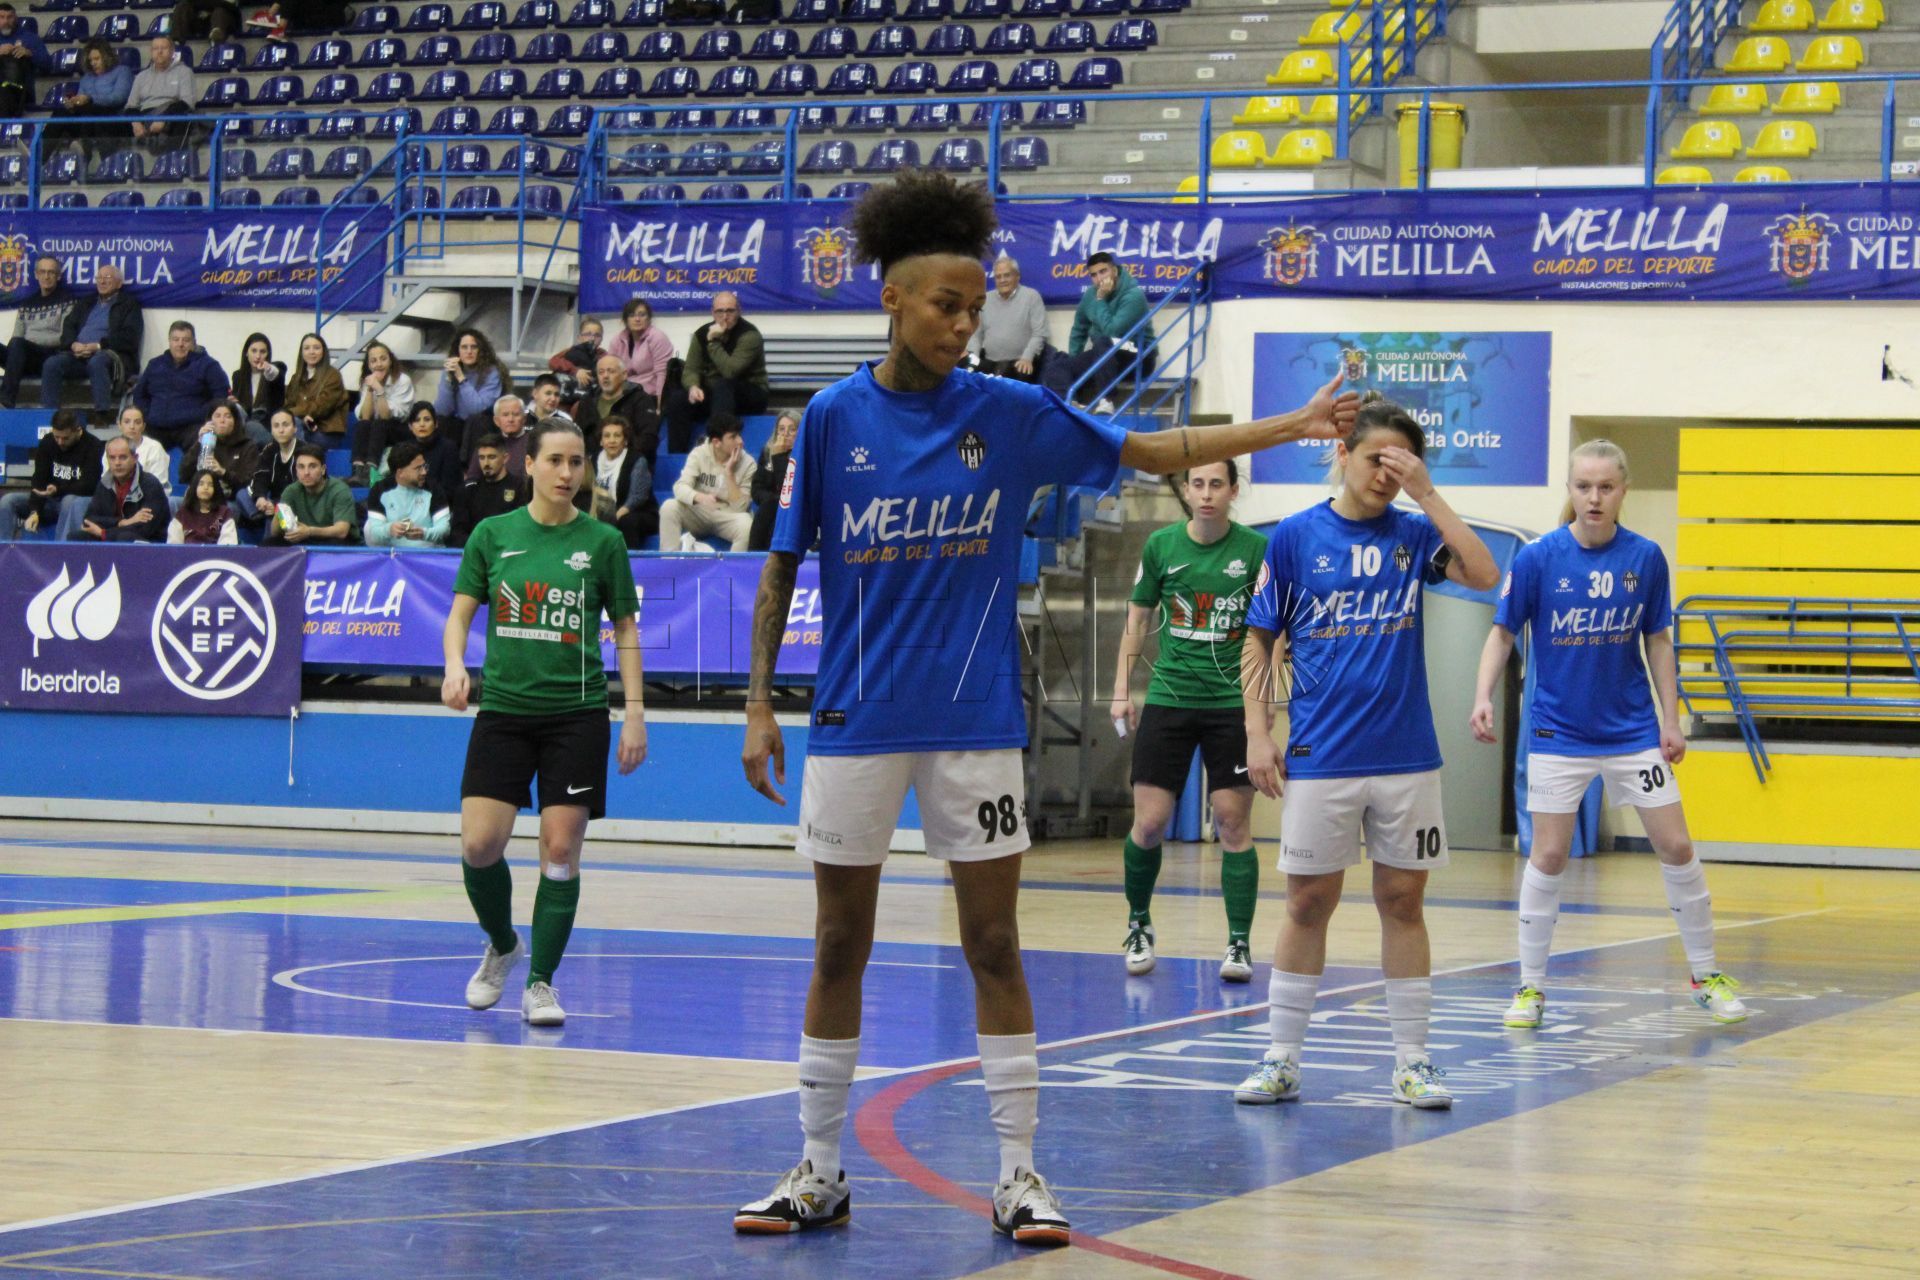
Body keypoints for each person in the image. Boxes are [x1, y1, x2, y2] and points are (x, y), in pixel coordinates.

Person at [732, 170, 1357, 1245]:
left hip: (975, 723)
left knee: (994, 942)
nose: (963, 325)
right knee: (837, 944)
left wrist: (1294, 423)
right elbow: (783, 566)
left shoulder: (1009, 411)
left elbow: (1152, 452)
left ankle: (1018, 1170)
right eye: (946, 305)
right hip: (854, 721)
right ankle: (819, 1168)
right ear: (892, 297)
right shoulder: (832, 418)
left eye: (975, 308)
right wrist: (757, 705)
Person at [1230, 395, 1499, 1115]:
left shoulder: (1414, 534)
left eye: (1403, 463)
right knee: (1306, 902)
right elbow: (1259, 637)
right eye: (1378, 458)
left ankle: (1412, 1061)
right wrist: (1258, 731)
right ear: (1343, 453)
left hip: (1406, 755)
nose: (1388, 474)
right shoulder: (1294, 537)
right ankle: (1281, 1058)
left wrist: (1428, 493)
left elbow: (1484, 574)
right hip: (1321, 752)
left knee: (1403, 901)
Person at [1471, 440, 1749, 1030]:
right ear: (1570, 491)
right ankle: (1530, 987)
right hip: (1557, 734)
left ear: (1623, 491)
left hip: (1632, 733)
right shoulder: (1539, 558)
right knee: (1549, 855)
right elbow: (1502, 632)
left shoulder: (1645, 557)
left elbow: (1659, 641)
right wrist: (1482, 697)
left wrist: (1671, 720)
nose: (1594, 498)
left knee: (1676, 847)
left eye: (1605, 487)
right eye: (1583, 487)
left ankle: (1705, 976)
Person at [442, 417, 646, 1027]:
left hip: (577, 716)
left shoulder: (604, 543)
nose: (566, 472)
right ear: (527, 464)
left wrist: (635, 713)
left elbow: (626, 629)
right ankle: (504, 945)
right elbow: (459, 616)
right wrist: (455, 666)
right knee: (480, 846)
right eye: (555, 460)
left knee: (560, 850)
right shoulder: (492, 534)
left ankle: (541, 982)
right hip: (504, 711)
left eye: (576, 461)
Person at [1109, 459, 1267, 983]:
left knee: (1232, 823)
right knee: (1150, 823)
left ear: (1233, 490)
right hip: (1170, 699)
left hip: (1230, 704)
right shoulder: (1161, 546)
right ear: (1187, 490)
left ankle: (1239, 942)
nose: (1206, 494)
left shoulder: (1255, 551)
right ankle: (1138, 923)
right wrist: (1121, 691)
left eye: (1216, 484)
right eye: (1197, 484)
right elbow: (1138, 618)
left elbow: (1269, 632)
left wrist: (1262, 707)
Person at [1042, 251, 1156, 409]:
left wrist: (1101, 299)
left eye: (1103, 271)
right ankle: (1067, 406)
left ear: (1114, 270)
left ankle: (1106, 401)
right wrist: (1075, 362)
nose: (1099, 278)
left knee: (1103, 342)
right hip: (1104, 355)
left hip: (1139, 357)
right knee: (1058, 365)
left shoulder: (1133, 296)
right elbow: (1079, 329)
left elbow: (1112, 332)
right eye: (1094, 275)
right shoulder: (1090, 294)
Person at [664, 291, 766, 453]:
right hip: (716, 395)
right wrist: (693, 386)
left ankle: (716, 446)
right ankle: (677, 456)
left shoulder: (750, 335)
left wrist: (713, 342)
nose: (725, 316)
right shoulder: (701, 334)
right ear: (712, 312)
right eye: (720, 311)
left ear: (739, 311)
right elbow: (691, 369)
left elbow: (730, 371)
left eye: (730, 311)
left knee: (724, 386)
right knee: (678, 399)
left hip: (750, 392)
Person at [41, 263, 142, 419]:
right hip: (78, 355)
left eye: (107, 277)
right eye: (99, 278)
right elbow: (69, 326)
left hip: (110, 356)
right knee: (52, 364)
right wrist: (73, 344)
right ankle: (48, 415)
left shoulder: (129, 304)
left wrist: (98, 346)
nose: (102, 281)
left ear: (119, 283)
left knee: (97, 361)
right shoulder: (86, 302)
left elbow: (130, 337)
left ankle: (102, 415)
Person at [659, 412, 754, 552]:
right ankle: (669, 561)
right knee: (669, 507)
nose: (740, 441)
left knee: (747, 524)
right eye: (733, 437)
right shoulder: (699, 454)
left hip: (728, 515)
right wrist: (699, 497)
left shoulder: (748, 463)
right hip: (699, 512)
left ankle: (733, 566)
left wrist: (729, 474)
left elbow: (741, 508)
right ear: (716, 442)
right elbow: (680, 487)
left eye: (739, 435)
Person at [1, 409, 102, 541]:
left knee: (69, 500)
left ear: (77, 430)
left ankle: (61, 549)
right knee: (8, 501)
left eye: (65, 438)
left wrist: (58, 490)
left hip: (77, 504)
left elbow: (89, 485)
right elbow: (39, 479)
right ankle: (3, 548)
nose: (60, 442)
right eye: (56, 437)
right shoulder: (48, 442)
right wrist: (35, 511)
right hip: (49, 501)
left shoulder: (93, 445)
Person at [132, 320, 231, 451]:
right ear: (169, 341)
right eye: (176, 339)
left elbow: (220, 397)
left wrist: (202, 414)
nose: (180, 344)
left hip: (192, 426)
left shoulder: (208, 366)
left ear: (194, 342)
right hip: (155, 426)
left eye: (186, 340)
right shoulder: (155, 364)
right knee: (135, 447)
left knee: (206, 441)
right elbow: (139, 395)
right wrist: (148, 414)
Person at [2, 256, 75, 409]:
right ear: (36, 275)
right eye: (42, 272)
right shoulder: (27, 304)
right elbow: (17, 335)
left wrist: (31, 342)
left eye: (51, 272)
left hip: (49, 356)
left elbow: (65, 337)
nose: (46, 276)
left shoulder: (68, 300)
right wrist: (20, 349)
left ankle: (6, 400)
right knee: (16, 344)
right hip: (24, 355)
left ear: (58, 276)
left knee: (19, 344)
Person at [44, 39, 131, 159]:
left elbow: (119, 97)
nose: (93, 63)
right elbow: (81, 101)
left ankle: (84, 147)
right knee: (60, 113)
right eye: (90, 60)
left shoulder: (122, 71)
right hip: (88, 122)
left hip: (112, 120)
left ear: (106, 57)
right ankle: (39, 155)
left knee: (91, 108)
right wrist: (73, 103)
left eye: (97, 59)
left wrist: (90, 99)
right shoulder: (86, 78)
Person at [578, 415, 656, 548]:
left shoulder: (637, 460)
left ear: (625, 440)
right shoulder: (592, 460)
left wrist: (614, 516)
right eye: (607, 436)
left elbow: (637, 497)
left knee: (626, 521)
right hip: (602, 510)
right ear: (601, 441)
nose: (612, 440)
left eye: (617, 436)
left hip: (635, 511)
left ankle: (628, 557)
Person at [969, 255, 1047, 383]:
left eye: (1007, 275)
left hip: (1020, 362)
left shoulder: (1032, 297)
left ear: (1017, 276)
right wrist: (973, 359)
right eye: (998, 277)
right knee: (966, 377)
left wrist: (1027, 358)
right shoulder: (985, 299)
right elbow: (975, 335)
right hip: (989, 362)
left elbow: (1039, 333)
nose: (1002, 280)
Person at [75, 435, 167, 542]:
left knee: (124, 538)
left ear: (135, 458)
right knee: (77, 537)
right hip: (116, 534)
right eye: (112, 458)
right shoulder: (105, 483)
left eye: (123, 457)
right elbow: (89, 520)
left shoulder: (151, 484)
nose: (117, 463)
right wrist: (122, 522)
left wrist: (103, 533)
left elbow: (145, 528)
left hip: (149, 542)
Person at [264, 442, 356, 546]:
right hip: (304, 539)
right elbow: (275, 532)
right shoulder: (291, 491)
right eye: (301, 467)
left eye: (312, 466)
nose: (306, 472)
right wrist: (279, 513)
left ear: (323, 470)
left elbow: (342, 531)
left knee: (336, 543)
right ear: (296, 470)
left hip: (334, 540)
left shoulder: (339, 490)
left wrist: (309, 531)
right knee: (269, 544)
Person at [572, 353, 658, 462]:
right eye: (601, 372)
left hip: (629, 462)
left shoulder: (641, 399)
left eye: (611, 371)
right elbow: (577, 435)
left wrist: (619, 458)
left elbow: (648, 439)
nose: (605, 376)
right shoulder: (588, 400)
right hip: (591, 462)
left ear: (624, 375)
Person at [350, 340, 415, 484]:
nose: (379, 364)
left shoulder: (403, 380)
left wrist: (379, 389)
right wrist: (370, 389)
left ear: (390, 361)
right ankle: (357, 472)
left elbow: (386, 416)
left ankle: (370, 472)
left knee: (380, 424)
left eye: (383, 359)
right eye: (373, 361)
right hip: (377, 429)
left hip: (399, 430)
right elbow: (365, 416)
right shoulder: (368, 381)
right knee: (362, 425)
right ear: (369, 365)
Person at [365, 441, 451, 548]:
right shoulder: (379, 489)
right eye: (418, 468)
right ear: (400, 472)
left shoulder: (434, 488)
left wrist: (424, 534)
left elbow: (444, 529)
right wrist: (389, 529)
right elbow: (374, 533)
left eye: (424, 466)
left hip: (429, 552)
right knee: (368, 526)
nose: (424, 472)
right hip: (393, 553)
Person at [451, 431, 529, 548]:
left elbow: (522, 528)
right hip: (475, 551)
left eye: (492, 457)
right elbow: (457, 533)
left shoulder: (520, 488)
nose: (486, 463)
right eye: (482, 458)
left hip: (507, 550)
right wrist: (478, 546)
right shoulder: (468, 490)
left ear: (505, 458)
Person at [124, 35, 195, 151]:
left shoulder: (184, 72)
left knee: (183, 120)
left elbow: (188, 102)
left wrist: (163, 118)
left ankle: (174, 159)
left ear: (172, 51)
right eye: (156, 48)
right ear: (151, 52)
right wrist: (135, 123)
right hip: (146, 116)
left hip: (171, 114)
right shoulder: (141, 76)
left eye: (164, 48)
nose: (159, 52)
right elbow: (131, 106)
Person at [179, 398, 259, 498]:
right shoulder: (205, 443)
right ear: (210, 421)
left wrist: (223, 472)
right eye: (217, 416)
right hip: (201, 499)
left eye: (228, 416)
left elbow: (249, 482)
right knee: (173, 502)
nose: (222, 420)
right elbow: (184, 475)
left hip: (230, 499)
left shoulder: (247, 446)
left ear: (235, 421)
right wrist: (199, 442)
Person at [607, 297, 673, 409]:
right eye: (632, 315)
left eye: (642, 315)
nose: (637, 319)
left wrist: (659, 406)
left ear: (649, 318)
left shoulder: (657, 337)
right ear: (626, 320)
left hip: (650, 395)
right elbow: (610, 371)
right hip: (624, 394)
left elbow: (662, 374)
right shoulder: (617, 340)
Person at [747, 408, 798, 552]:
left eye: (792, 430)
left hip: (794, 508)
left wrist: (779, 457)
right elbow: (756, 488)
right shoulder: (767, 452)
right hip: (770, 507)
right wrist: (770, 499)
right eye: (781, 429)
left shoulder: (803, 456)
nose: (785, 434)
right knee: (768, 509)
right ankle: (753, 557)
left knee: (776, 523)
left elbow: (787, 492)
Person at [242, 408, 301, 531]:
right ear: (272, 431)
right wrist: (260, 497)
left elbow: (300, 488)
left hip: (295, 503)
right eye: (276, 426)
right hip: (272, 501)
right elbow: (260, 475)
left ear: (295, 428)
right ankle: (262, 513)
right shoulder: (269, 450)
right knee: (242, 494)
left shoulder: (304, 451)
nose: (281, 430)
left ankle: (266, 516)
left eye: (285, 425)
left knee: (275, 515)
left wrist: (276, 504)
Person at [285, 332, 348, 444]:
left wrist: (292, 413)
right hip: (302, 426)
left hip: (325, 432)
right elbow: (288, 403)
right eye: (307, 348)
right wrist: (302, 418)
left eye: (316, 348)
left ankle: (298, 454)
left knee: (292, 423)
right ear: (301, 352)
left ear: (323, 351)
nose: (311, 352)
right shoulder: (296, 377)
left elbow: (321, 407)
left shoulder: (333, 375)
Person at [436, 327, 508, 423]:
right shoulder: (452, 369)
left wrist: (461, 379)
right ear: (458, 351)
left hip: (483, 423)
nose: (469, 351)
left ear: (480, 350)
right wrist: (448, 378)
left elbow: (477, 410)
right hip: (458, 423)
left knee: (476, 421)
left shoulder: (492, 372)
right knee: (441, 421)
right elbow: (442, 411)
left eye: (474, 347)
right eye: (464, 347)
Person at [394, 402, 462, 497]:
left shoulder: (448, 448)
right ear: (410, 426)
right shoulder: (404, 449)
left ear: (436, 424)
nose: (422, 424)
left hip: (439, 501)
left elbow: (450, 488)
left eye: (427, 420)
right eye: (417, 420)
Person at [230, 332, 286, 439]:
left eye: (262, 352)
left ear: (268, 354)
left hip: (268, 425)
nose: (258, 356)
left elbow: (275, 374)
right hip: (245, 424)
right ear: (246, 353)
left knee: (252, 427)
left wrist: (268, 368)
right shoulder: (238, 376)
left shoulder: (276, 370)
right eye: (254, 351)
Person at [0, 4, 51, 120]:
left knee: (3, 93)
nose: (5, 21)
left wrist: (30, 54)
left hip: (21, 92)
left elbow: (48, 65)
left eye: (9, 17)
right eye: (1, 17)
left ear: (16, 18)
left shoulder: (30, 38)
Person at [464, 395, 529, 480]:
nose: (510, 419)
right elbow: (472, 477)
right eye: (505, 415)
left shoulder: (534, 442)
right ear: (496, 421)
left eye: (516, 414)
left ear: (524, 419)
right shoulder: (486, 443)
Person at [166, 470, 237, 545]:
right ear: (194, 487)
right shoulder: (182, 514)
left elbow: (228, 543)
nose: (206, 487)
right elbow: (174, 545)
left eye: (210, 485)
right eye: (201, 484)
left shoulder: (224, 513)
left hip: (215, 552)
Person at [547, 316, 604, 409]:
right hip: (567, 397)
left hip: (590, 399)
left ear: (601, 339)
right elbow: (552, 362)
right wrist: (576, 371)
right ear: (579, 337)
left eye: (597, 335)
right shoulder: (570, 351)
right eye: (588, 334)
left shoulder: (603, 355)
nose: (592, 338)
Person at [118, 405, 169, 492]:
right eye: (127, 422)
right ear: (119, 425)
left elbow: (158, 484)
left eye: (137, 422)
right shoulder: (112, 447)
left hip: (151, 495)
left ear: (143, 426)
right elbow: (107, 482)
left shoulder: (155, 448)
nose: (132, 426)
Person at [168, 0, 241, 44]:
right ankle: (176, 42)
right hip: (201, 18)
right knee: (182, 6)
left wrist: (204, 4)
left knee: (220, 11)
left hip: (225, 20)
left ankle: (216, 39)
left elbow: (229, 5)